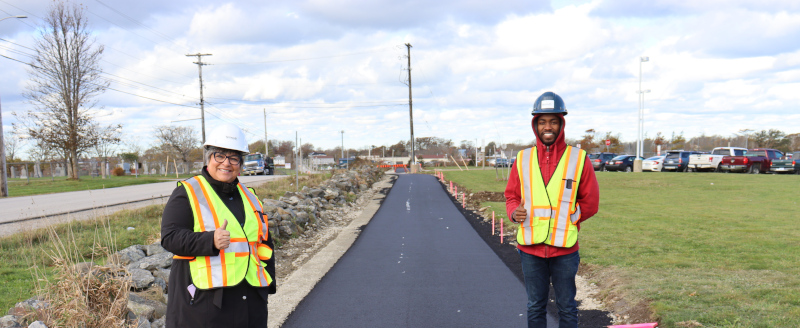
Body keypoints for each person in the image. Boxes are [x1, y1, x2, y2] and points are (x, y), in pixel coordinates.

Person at [161, 124, 276, 328]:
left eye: (233, 158)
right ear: (208, 158)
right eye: (219, 156)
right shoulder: (188, 191)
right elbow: (170, 237)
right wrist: (210, 240)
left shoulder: (250, 196)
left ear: (240, 163)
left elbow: (264, 244)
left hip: (250, 300)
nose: (226, 163)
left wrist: (267, 287)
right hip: (206, 303)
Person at [505, 91, 599, 328]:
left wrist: (571, 219)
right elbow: (511, 196)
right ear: (535, 125)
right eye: (542, 121)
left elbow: (591, 202)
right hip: (531, 249)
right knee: (535, 306)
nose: (548, 126)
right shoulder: (522, 158)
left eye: (553, 121)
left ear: (561, 124)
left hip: (565, 251)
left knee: (567, 307)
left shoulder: (579, 159)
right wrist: (514, 212)